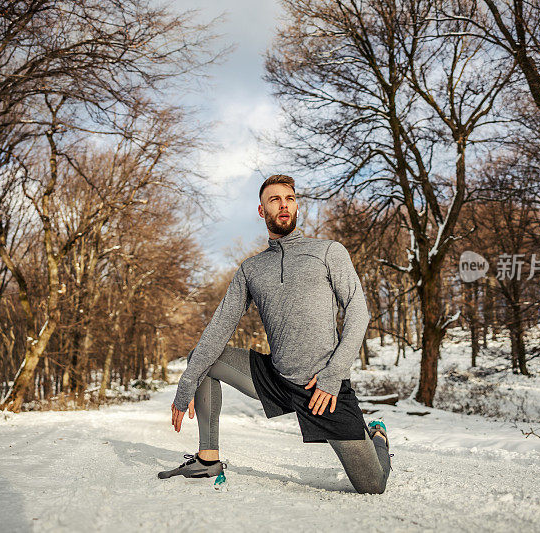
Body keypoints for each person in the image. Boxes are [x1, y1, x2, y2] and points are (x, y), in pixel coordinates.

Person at [158, 174, 392, 494]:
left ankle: (376, 436)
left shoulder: (328, 252)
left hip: (322, 386)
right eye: (274, 200)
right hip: (275, 378)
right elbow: (220, 326)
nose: (283, 205)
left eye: (289, 198)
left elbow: (358, 313)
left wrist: (333, 374)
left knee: (372, 485)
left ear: (296, 206)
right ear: (261, 210)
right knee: (203, 359)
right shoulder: (250, 270)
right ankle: (207, 457)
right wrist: (187, 383)